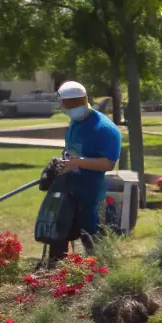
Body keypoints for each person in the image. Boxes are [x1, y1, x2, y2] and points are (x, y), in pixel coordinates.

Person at [58, 80, 122, 251]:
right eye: (67, 104)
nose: (71, 108)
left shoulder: (104, 129)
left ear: (86, 100)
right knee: (65, 231)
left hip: (94, 192)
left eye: (76, 104)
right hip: (73, 189)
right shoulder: (75, 122)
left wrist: (77, 162)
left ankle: (99, 270)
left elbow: (108, 163)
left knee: (94, 237)